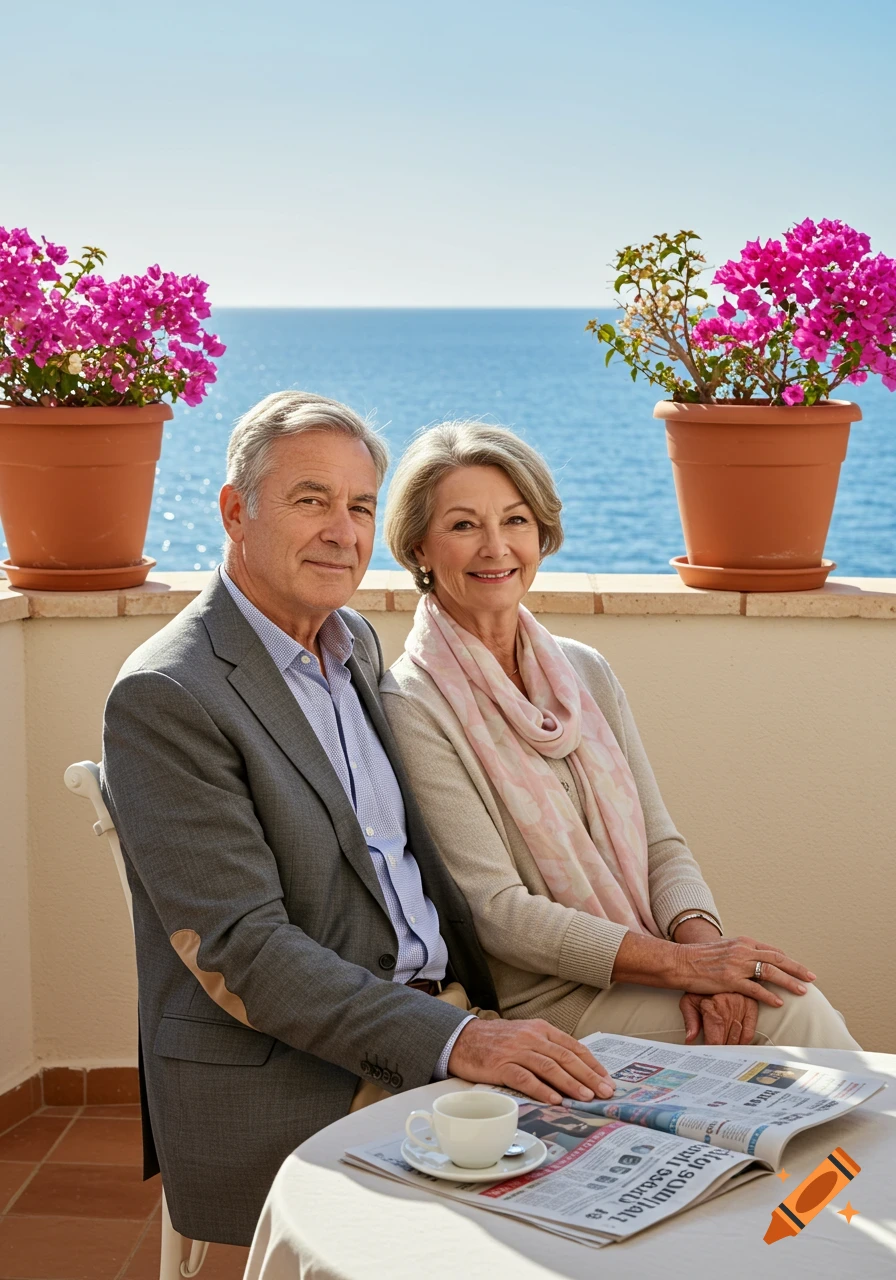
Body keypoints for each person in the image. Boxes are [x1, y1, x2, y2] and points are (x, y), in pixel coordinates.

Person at [101, 393, 613, 1247]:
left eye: (360, 506)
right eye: (311, 501)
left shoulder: (353, 646)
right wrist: (452, 1039)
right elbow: (243, 951)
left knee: (639, 1168)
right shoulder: (168, 695)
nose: (343, 530)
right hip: (306, 1069)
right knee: (553, 1233)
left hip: (447, 1011)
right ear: (236, 510)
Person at [380, 420, 861, 1054]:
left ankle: (837, 1162)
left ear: (542, 532)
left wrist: (704, 956)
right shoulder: (414, 702)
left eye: (516, 520)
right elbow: (497, 912)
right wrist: (681, 969)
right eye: (464, 525)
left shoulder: (583, 671)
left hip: (652, 961)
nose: (496, 547)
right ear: (419, 547)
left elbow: (661, 843)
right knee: (791, 1016)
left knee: (774, 1001)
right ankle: (859, 1158)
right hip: (551, 998)